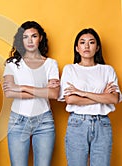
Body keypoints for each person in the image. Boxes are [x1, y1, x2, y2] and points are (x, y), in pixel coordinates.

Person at [58, 28, 121, 166]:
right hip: (77, 124)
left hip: (102, 124)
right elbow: (70, 99)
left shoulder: (107, 70)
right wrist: (102, 96)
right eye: (82, 42)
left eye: (91, 42)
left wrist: (82, 93)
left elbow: (114, 99)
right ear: (77, 48)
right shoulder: (70, 69)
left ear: (97, 47)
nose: (87, 46)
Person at [3, 21, 60, 166]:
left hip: (44, 122)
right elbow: (9, 92)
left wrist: (21, 87)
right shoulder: (12, 64)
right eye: (25, 37)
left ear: (40, 38)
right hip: (17, 121)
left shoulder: (50, 64)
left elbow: (53, 94)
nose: (30, 40)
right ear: (20, 40)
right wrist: (42, 90)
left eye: (33, 36)